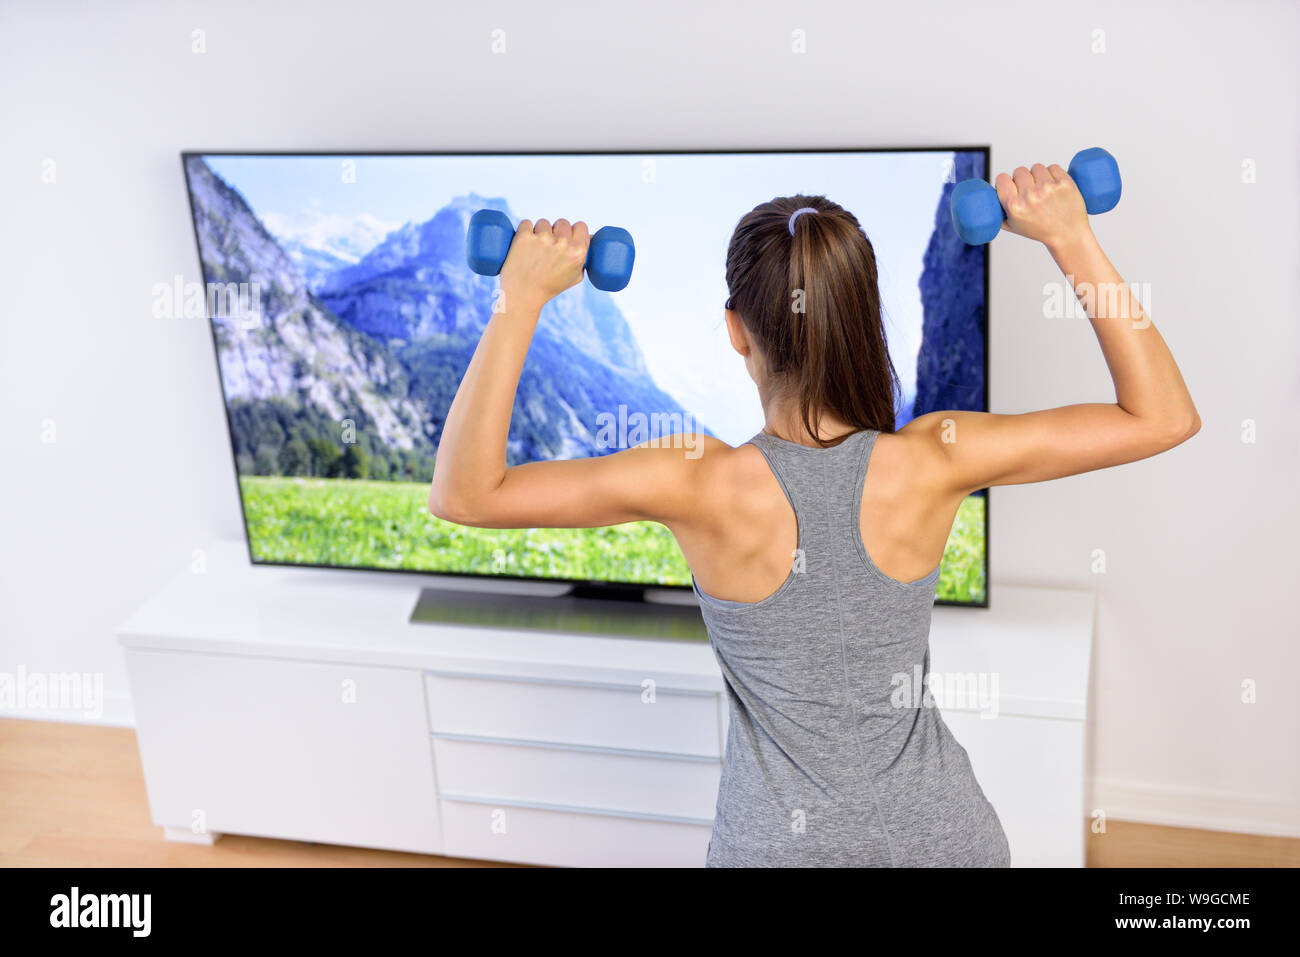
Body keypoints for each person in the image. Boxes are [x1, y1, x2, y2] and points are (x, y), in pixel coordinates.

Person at [428, 162, 1199, 866]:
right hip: (947, 842)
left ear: (736, 331)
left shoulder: (697, 481)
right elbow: (1161, 415)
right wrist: (1071, 237)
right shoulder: (939, 457)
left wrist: (520, 298)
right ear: (864, 314)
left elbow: (465, 494)